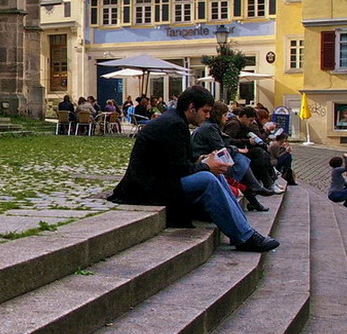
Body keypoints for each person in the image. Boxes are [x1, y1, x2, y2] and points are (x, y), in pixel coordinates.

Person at [108, 86, 280, 253]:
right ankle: (244, 236)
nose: (207, 116)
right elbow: (177, 169)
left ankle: (245, 231)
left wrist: (204, 160)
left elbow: (177, 162)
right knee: (209, 179)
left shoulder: (175, 121)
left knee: (215, 175)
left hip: (158, 180)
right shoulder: (174, 125)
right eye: (205, 111)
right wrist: (206, 165)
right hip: (147, 187)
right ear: (192, 108)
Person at [190, 101, 273, 212]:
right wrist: (237, 149)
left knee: (241, 161)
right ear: (218, 115)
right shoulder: (210, 128)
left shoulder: (210, 126)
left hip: (207, 159)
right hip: (205, 161)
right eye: (224, 115)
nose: (227, 118)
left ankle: (255, 194)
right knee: (239, 159)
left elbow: (225, 143)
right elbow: (222, 148)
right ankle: (255, 191)